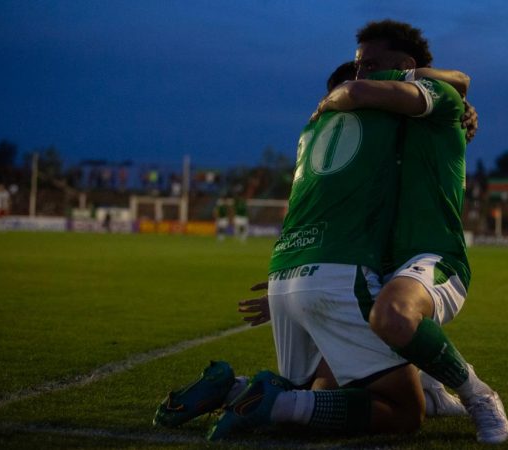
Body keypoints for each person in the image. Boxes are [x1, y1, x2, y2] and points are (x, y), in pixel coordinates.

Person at [155, 63, 425, 440]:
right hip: (338, 278)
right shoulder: (377, 134)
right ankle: (273, 403)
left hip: (288, 272)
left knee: (309, 389)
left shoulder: (312, 131)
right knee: (402, 411)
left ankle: (230, 388)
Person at [310, 19, 508, 444]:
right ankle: (429, 389)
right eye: (360, 67)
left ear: (404, 66)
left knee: (394, 314)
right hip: (374, 264)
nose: (361, 73)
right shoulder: (383, 121)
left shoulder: (437, 98)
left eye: (371, 64)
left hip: (432, 255)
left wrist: (344, 95)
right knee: (323, 388)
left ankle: (478, 393)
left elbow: (459, 81)